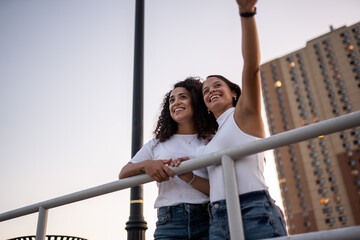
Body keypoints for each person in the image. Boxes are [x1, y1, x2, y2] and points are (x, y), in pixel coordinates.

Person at [200, 0, 288, 239]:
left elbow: (251, 68)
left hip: (253, 210)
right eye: (205, 91)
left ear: (234, 93)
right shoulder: (211, 139)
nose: (210, 91)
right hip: (217, 217)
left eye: (217, 85)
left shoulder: (244, 114)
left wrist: (246, 14)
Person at [119, 77, 217, 240]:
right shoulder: (157, 144)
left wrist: (189, 177)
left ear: (197, 102)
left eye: (183, 97)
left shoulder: (212, 140)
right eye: (172, 100)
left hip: (208, 219)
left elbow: (219, 189)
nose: (176, 102)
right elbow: (123, 173)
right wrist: (146, 165)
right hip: (170, 222)